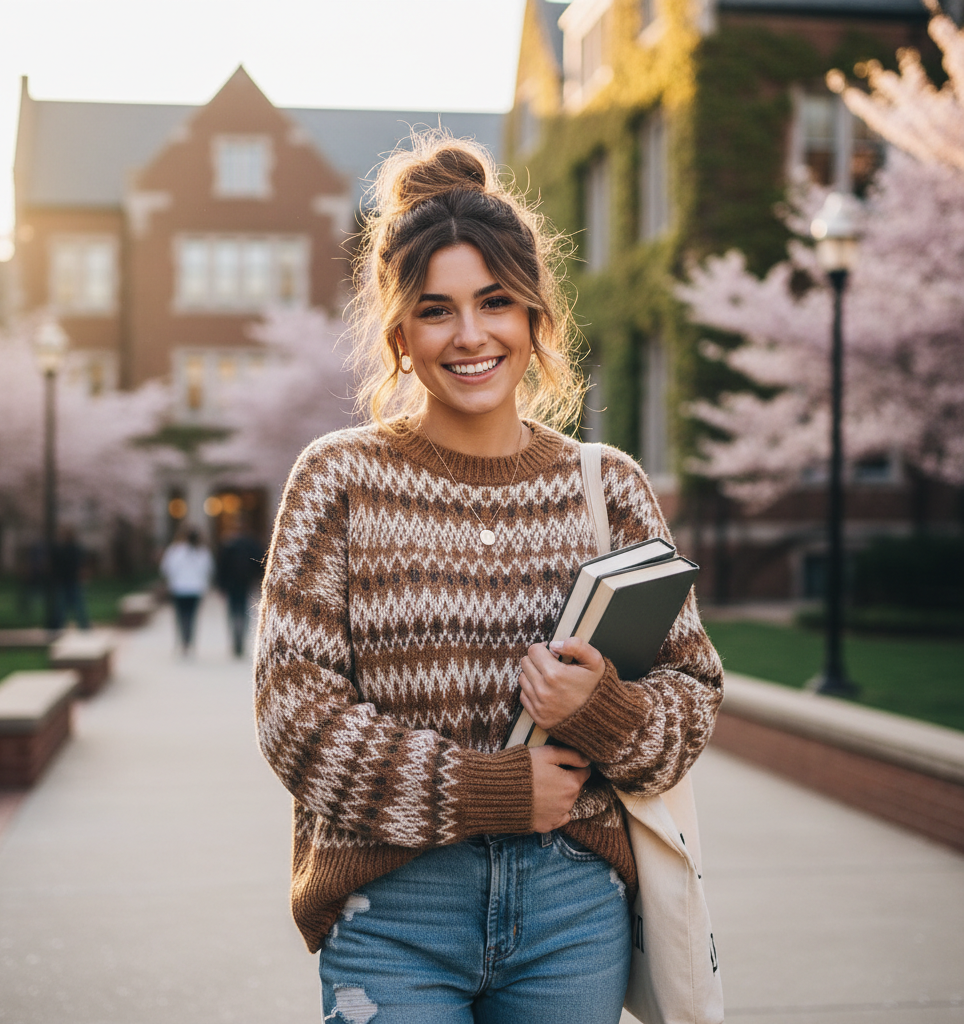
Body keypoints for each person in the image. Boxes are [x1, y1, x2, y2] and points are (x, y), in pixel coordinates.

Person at [254, 133, 723, 1023]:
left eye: (495, 302)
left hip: (572, 906)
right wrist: (489, 789)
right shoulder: (339, 480)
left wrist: (601, 711)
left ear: (535, 314)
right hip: (395, 907)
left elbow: (692, 702)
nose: (470, 336)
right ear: (398, 330)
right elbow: (294, 717)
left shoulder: (606, 484)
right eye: (436, 310)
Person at [160, 526, 214, 655]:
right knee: (192, 616)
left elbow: (166, 568)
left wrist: (172, 580)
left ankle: (183, 640)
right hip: (196, 589)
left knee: (180, 616)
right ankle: (189, 641)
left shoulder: (175, 551)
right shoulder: (202, 552)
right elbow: (209, 569)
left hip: (179, 588)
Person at [216, 523, 264, 657]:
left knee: (233, 611)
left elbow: (222, 566)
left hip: (231, 584)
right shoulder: (251, 544)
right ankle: (241, 638)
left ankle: (235, 638)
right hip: (245, 582)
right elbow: (260, 562)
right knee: (244, 611)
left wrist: (221, 584)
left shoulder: (228, 546)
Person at [50, 525, 90, 630]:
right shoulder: (61, 549)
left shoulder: (75, 549)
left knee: (76, 606)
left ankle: (83, 627)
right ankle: (59, 626)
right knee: (63, 607)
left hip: (71, 580)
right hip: (65, 581)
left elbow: (82, 565)